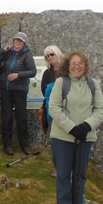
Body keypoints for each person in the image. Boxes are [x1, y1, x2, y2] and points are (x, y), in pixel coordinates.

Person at [49, 51, 103, 204]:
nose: (77, 66)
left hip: (85, 138)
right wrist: (72, 128)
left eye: (80, 63)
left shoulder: (93, 85)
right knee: (64, 175)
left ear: (85, 65)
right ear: (67, 65)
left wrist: (87, 126)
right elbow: (54, 108)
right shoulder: (61, 83)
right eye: (74, 63)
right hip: (63, 137)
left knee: (80, 176)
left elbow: (100, 109)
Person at [0, 32, 37, 156]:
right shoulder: (8, 53)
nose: (17, 43)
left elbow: (33, 72)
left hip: (20, 90)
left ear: (24, 43)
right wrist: (3, 50)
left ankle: (24, 145)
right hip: (6, 89)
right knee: (7, 118)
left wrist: (18, 75)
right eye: (16, 40)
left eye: (20, 41)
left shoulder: (27, 55)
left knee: (21, 118)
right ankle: (7, 145)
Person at [40, 45, 64, 178]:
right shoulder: (47, 74)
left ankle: (69, 168)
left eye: (52, 54)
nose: (49, 57)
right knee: (55, 141)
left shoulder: (67, 71)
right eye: (47, 56)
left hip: (68, 112)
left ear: (58, 54)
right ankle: (58, 168)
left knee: (68, 141)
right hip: (52, 113)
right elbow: (44, 91)